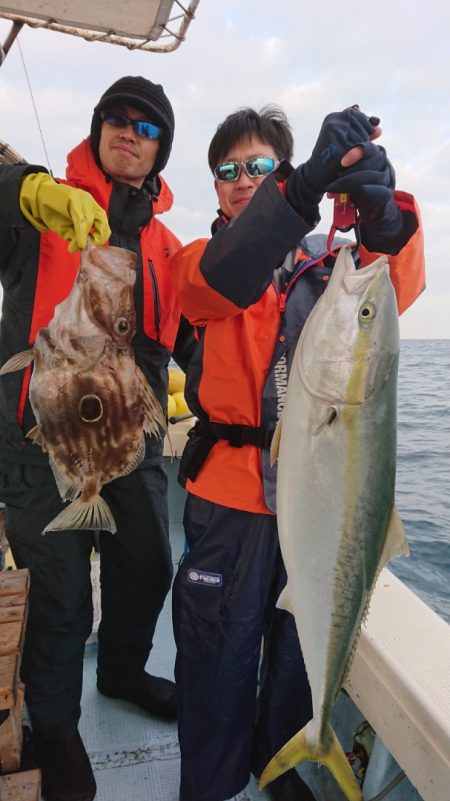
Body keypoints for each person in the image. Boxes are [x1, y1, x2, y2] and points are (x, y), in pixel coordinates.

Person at [169, 105, 425, 801]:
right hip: (229, 500)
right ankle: (213, 783)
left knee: (295, 650)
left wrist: (384, 223)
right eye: (228, 170)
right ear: (216, 187)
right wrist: (300, 187)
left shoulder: (330, 267)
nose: (242, 179)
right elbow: (230, 273)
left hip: (316, 502)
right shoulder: (200, 262)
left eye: (260, 166)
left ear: (279, 168)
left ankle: (283, 752)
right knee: (216, 655)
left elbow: (393, 289)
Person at [0, 76, 195, 801]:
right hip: (36, 438)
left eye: (147, 128)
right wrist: (24, 189)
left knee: (148, 562)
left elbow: (189, 343)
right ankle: (56, 726)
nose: (130, 131)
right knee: (60, 597)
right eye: (118, 118)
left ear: (160, 151)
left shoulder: (168, 247)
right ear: (98, 127)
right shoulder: (41, 204)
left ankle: (120, 669)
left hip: (128, 439)